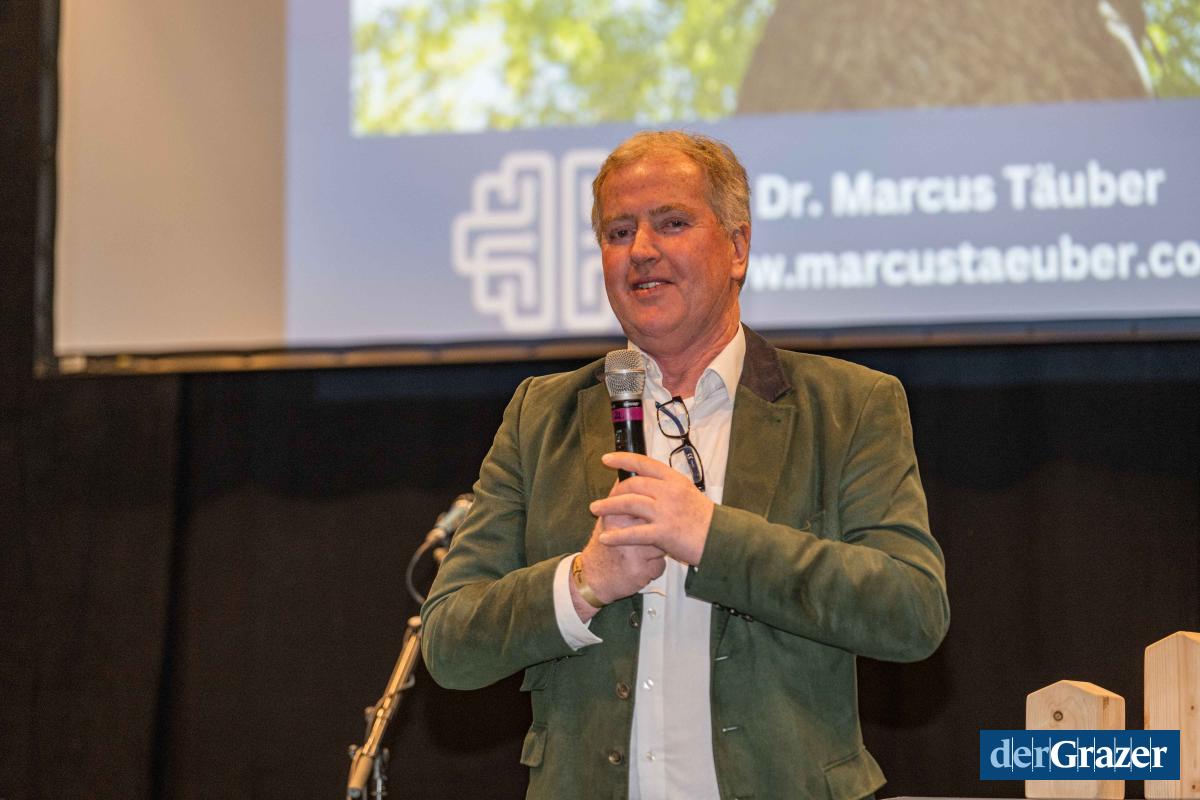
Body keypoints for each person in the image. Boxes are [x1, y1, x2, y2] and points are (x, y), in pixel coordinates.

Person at [421, 130, 949, 800]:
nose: (642, 249)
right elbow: (450, 643)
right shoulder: (541, 415)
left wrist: (711, 537)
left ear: (737, 248)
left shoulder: (848, 405)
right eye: (619, 232)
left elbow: (910, 610)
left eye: (672, 223)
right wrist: (582, 583)